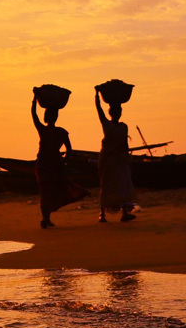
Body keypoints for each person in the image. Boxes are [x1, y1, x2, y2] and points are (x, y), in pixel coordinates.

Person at [32, 95, 88, 228]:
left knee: (45, 191)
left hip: (45, 164)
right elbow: (69, 150)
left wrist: (34, 99)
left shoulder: (44, 130)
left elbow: (34, 115)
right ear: (55, 117)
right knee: (52, 190)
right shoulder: (61, 132)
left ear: (46, 117)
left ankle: (46, 217)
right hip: (53, 163)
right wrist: (64, 161)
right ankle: (46, 218)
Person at [95, 87, 136, 222]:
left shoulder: (123, 126)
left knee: (123, 184)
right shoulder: (107, 124)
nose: (117, 113)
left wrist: (126, 156)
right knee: (107, 185)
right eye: (115, 111)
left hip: (120, 159)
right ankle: (102, 214)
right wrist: (96, 95)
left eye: (119, 111)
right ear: (111, 113)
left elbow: (124, 144)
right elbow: (99, 111)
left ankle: (124, 213)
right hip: (108, 160)